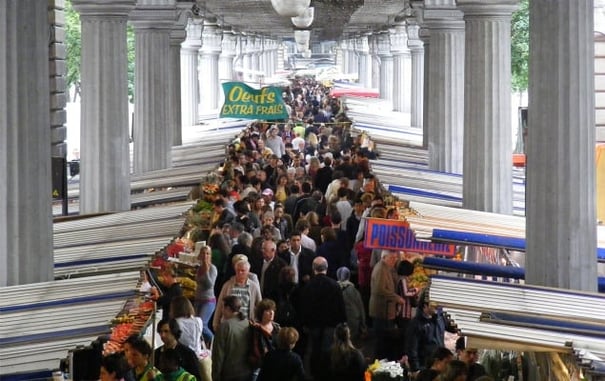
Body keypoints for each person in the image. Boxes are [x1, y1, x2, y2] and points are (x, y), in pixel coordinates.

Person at [300, 256, 347, 381]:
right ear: (326, 268)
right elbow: (340, 306)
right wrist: (343, 323)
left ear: (313, 269)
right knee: (328, 351)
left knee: (315, 350)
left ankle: (315, 374)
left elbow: (304, 307)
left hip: (314, 325)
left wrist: (305, 323)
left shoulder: (308, 286)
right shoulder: (334, 285)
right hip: (331, 325)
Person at [406, 290, 456, 373]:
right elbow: (412, 350)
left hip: (440, 365)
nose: (438, 307)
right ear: (425, 305)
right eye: (434, 306)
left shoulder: (440, 318)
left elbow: (453, 328)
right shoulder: (416, 324)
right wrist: (417, 370)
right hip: (425, 368)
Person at [369, 250, 404, 360]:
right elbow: (380, 289)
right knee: (381, 341)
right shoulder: (380, 269)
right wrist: (397, 298)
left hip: (386, 310)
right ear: (384, 258)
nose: (395, 260)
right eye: (392, 258)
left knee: (385, 340)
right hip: (381, 311)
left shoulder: (387, 268)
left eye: (395, 258)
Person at [213, 258, 262, 331]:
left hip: (247, 325)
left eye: (243, 270)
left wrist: (258, 322)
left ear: (248, 271)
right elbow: (220, 304)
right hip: (229, 325)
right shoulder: (228, 285)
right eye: (238, 270)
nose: (240, 273)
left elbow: (260, 305)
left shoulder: (253, 287)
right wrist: (215, 323)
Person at [212, 295, 253, 381]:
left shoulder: (224, 327)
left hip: (229, 374)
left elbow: (218, 354)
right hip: (247, 372)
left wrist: (215, 376)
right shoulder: (248, 323)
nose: (221, 310)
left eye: (222, 307)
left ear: (228, 308)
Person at [248, 299, 281, 379]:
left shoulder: (277, 328)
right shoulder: (255, 328)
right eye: (268, 310)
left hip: (275, 365)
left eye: (273, 310)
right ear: (261, 313)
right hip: (259, 366)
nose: (271, 313)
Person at [336, 267, 366, 344]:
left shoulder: (334, 288)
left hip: (338, 322)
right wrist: (363, 328)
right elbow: (361, 309)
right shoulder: (354, 290)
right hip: (353, 322)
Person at [195, 244, 217, 344]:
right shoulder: (199, 268)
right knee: (196, 324)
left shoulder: (212, 269)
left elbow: (209, 284)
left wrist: (206, 271)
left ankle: (214, 342)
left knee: (202, 324)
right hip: (198, 300)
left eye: (207, 253)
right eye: (203, 253)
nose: (205, 256)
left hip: (208, 301)